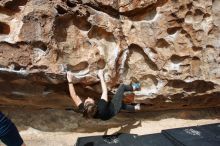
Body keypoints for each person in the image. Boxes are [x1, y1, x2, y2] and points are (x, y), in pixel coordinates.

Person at [67, 70, 141, 120]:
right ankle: (137, 86)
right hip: (113, 109)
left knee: (121, 105)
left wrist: (70, 80)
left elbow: (74, 96)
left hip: (105, 117)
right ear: (93, 104)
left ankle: (136, 108)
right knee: (122, 87)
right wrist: (101, 76)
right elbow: (104, 91)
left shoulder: (85, 110)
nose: (88, 97)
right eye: (89, 99)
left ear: (85, 106)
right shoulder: (101, 106)